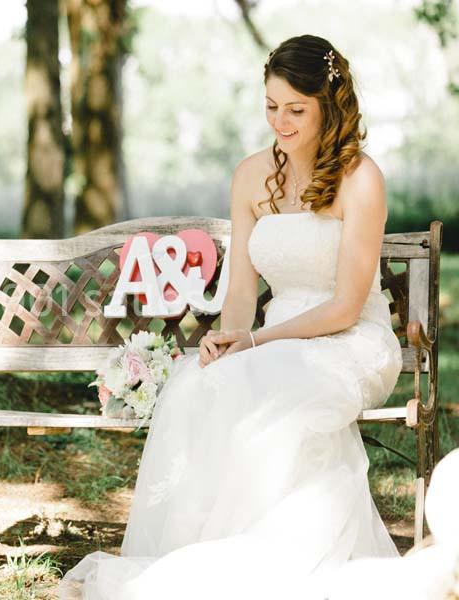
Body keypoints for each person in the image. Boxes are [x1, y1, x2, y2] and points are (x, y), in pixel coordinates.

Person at [59, 34, 404, 599]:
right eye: (271, 107)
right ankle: (201, 556)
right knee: (199, 385)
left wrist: (259, 340)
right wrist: (229, 336)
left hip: (348, 338)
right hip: (272, 337)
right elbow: (242, 288)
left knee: (280, 398)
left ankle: (275, 562)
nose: (281, 122)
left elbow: (344, 306)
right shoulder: (250, 176)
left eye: (296, 109)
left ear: (330, 104)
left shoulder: (361, 179)